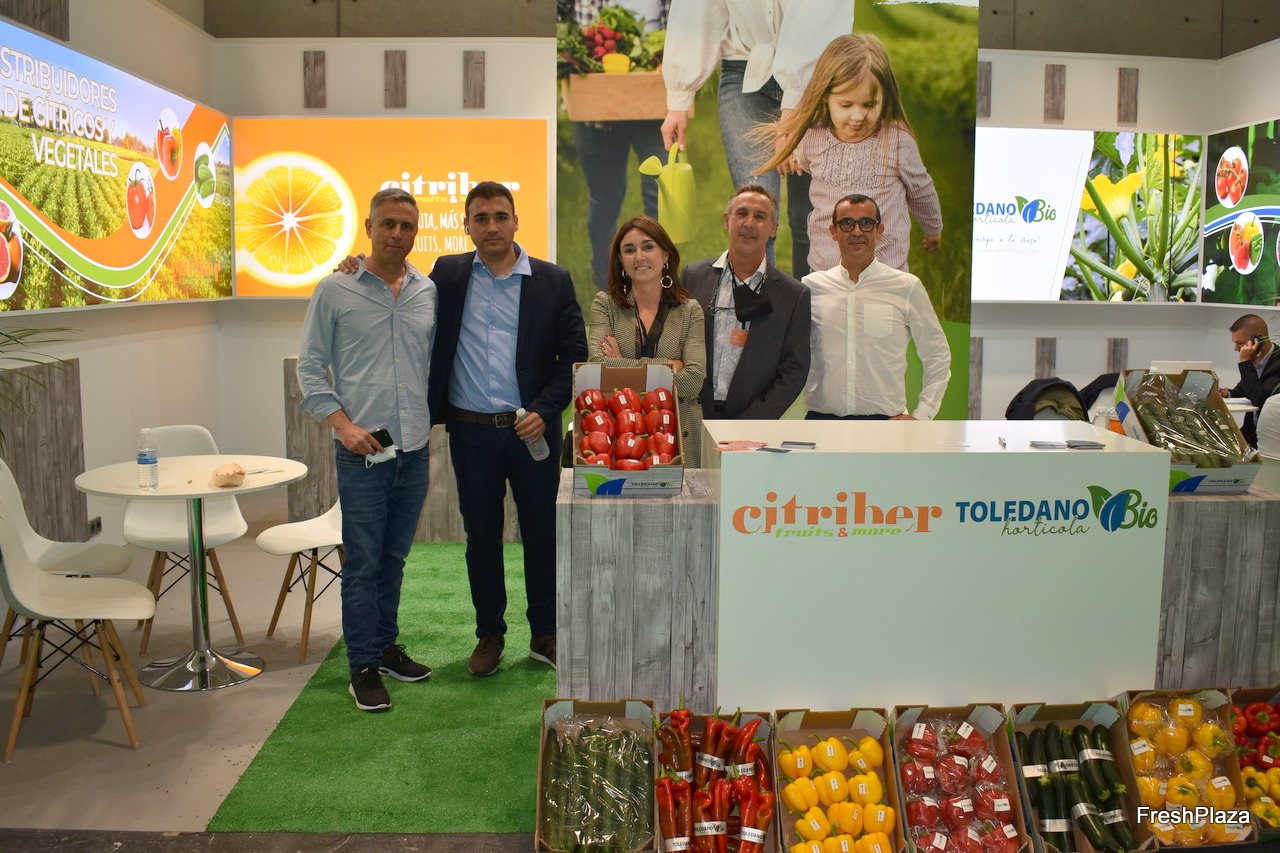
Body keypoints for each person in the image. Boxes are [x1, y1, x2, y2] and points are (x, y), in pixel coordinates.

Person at [430, 181, 588, 677]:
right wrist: (354, 267)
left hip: (532, 431)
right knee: (482, 536)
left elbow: (574, 357)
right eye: (481, 218)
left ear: (516, 221)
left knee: (542, 534)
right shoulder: (447, 274)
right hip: (470, 432)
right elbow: (401, 292)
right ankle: (490, 635)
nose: (492, 226)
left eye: (500, 216)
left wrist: (545, 408)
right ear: (466, 225)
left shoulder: (552, 280)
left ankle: (545, 634)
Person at [296, 187, 437, 712]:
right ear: (369, 226)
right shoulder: (335, 289)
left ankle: (384, 647)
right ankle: (361, 666)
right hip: (362, 452)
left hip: (413, 449)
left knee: (394, 559)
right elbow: (310, 367)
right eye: (388, 224)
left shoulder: (427, 291)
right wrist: (342, 426)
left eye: (406, 225)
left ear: (415, 231)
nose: (397, 234)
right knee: (362, 563)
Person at [660, 0, 855, 277]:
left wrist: (792, 114)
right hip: (745, 70)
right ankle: (761, 305)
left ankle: (813, 301)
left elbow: (816, 15)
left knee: (811, 217)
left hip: (817, 73)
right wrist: (680, 96)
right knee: (755, 212)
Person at [755, 33, 942, 276]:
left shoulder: (896, 141)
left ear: (884, 96)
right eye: (846, 105)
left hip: (885, 270)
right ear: (826, 96)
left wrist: (933, 228)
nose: (858, 116)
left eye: (869, 105)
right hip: (826, 269)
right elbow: (801, 157)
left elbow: (921, 189)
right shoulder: (813, 137)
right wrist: (793, 155)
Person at [804, 193, 950, 420]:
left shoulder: (906, 287)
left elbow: (937, 354)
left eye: (866, 223)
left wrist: (922, 415)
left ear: (879, 230)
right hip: (822, 421)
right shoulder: (811, 287)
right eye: (846, 223)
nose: (857, 231)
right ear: (833, 231)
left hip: (885, 423)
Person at [560, 0, 669, 291]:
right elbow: (556, 16)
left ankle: (659, 284)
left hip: (653, 94)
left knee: (660, 195)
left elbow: (679, 23)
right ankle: (608, 283)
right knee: (605, 197)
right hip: (595, 95)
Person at [682, 183, 810, 420]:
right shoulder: (693, 277)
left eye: (760, 217)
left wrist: (751, 423)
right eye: (742, 213)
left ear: (773, 228)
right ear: (726, 220)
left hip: (754, 426)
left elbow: (794, 371)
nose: (749, 223)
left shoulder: (794, 295)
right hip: (693, 418)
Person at [589, 216, 706, 466]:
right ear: (621, 260)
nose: (639, 257)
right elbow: (599, 367)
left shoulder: (690, 311)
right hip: (618, 443)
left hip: (678, 442)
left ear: (665, 255)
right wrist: (672, 366)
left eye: (648, 246)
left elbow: (694, 381)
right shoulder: (605, 305)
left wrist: (622, 363)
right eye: (629, 250)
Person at [1224, 313, 1280, 447]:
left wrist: (1245, 363)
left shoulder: (1277, 363)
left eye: (1240, 343)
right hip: (1250, 435)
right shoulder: (1256, 361)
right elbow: (1243, 390)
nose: (1236, 349)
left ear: (1258, 339)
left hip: (1270, 441)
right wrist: (1227, 393)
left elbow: (1259, 399)